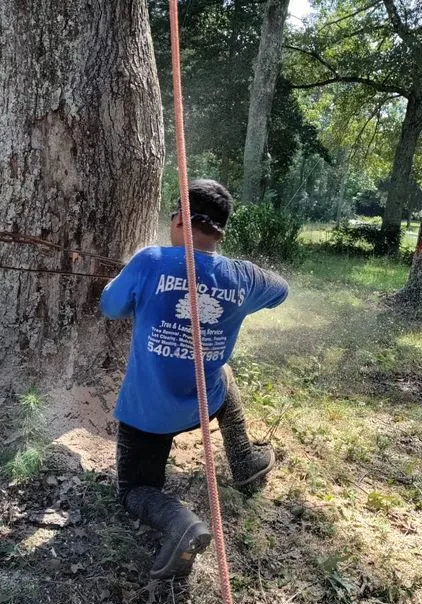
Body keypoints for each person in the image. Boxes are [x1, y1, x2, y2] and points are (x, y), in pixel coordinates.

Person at [100, 180, 289, 580]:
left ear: (179, 220)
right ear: (220, 232)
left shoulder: (149, 261)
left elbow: (111, 306)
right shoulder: (243, 277)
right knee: (223, 373)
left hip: (148, 414)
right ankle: (244, 460)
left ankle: (180, 522)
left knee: (134, 490)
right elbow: (281, 291)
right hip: (202, 402)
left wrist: (128, 282)